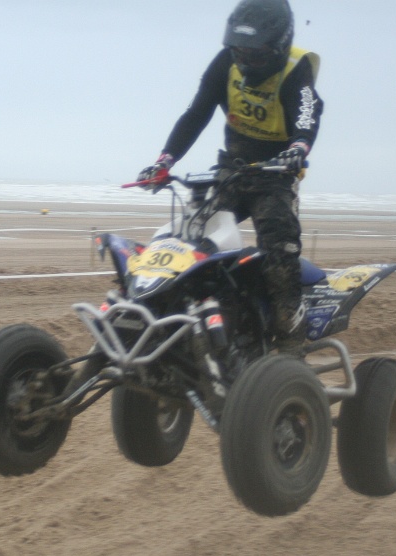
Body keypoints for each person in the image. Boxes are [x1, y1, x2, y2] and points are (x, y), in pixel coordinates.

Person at [137, 0, 323, 355]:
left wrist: (299, 147)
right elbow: (196, 114)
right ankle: (186, 314)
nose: (245, 61)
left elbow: (307, 114)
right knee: (191, 238)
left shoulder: (295, 70)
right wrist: (165, 160)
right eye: (240, 52)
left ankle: (289, 328)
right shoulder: (226, 63)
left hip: (275, 176)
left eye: (255, 55)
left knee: (280, 249)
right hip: (231, 172)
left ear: (278, 48)